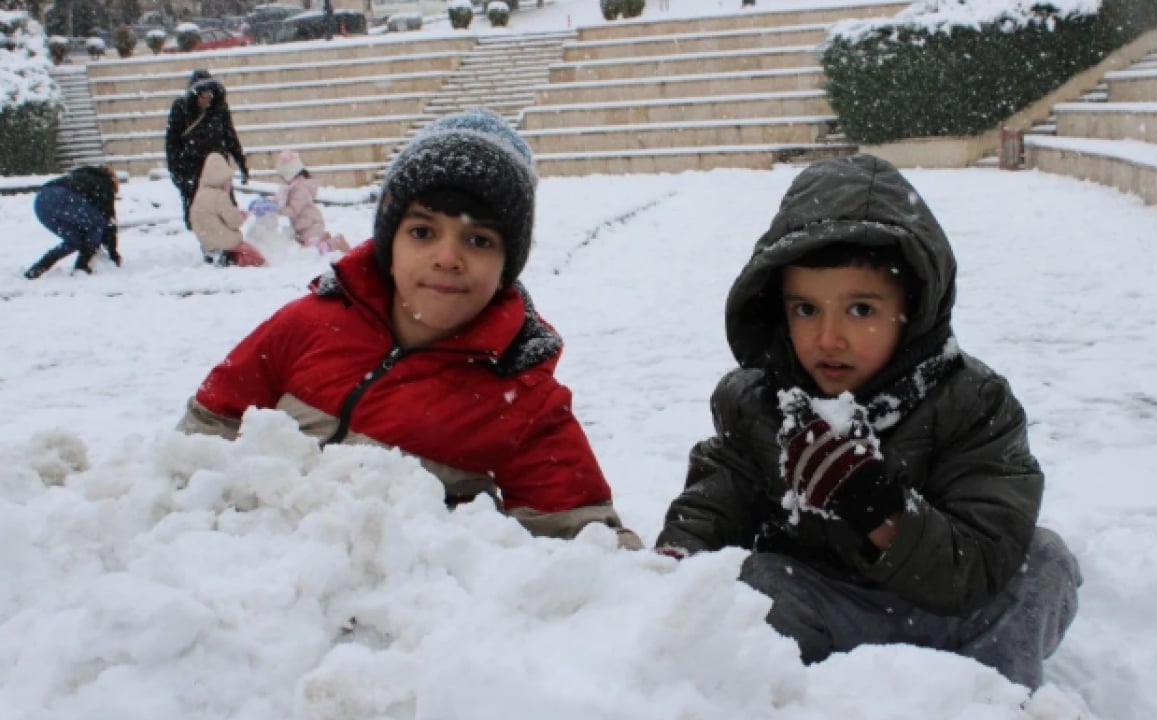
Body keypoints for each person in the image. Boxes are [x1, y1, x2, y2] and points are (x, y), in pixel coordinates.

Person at [653, 155, 1081, 688]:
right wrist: (679, 563)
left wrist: (883, 513)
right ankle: (792, 695)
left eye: (860, 310)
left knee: (1042, 562)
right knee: (750, 584)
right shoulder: (760, 402)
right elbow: (716, 501)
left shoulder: (974, 403)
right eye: (806, 310)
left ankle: (989, 699)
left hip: (946, 615)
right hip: (821, 608)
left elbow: (980, 558)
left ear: (914, 308)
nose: (829, 338)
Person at [178, 109, 641, 548]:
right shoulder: (306, 325)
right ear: (388, 243)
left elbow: (586, 546)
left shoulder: (524, 398)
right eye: (423, 232)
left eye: (478, 240)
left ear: (507, 267)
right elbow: (199, 438)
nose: (446, 257)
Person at [165, 69, 249, 229]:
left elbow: (230, 136)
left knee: (226, 211)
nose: (207, 98)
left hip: (218, 169)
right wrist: (178, 174)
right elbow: (172, 143)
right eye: (202, 93)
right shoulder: (180, 109)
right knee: (202, 216)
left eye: (209, 93)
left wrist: (241, 163)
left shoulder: (219, 108)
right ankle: (212, 248)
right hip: (193, 170)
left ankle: (227, 246)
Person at [24, 165, 122, 279]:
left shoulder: (81, 176)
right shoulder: (105, 183)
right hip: (64, 196)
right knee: (98, 224)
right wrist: (113, 253)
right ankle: (82, 265)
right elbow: (109, 221)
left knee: (75, 240)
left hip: (41, 201)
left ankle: (37, 269)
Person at [189, 153, 267, 267]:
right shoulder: (220, 197)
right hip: (224, 242)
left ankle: (214, 255)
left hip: (206, 242)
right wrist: (242, 216)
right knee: (254, 255)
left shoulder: (199, 195)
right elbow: (234, 222)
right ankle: (233, 259)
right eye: (228, 181)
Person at [275, 150, 349, 254]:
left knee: (315, 251)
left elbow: (293, 210)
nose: (283, 180)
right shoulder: (292, 188)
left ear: (290, 174)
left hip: (311, 227)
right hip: (304, 227)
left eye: (283, 176)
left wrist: (278, 210)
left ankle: (336, 242)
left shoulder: (300, 189)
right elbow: (282, 200)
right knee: (306, 247)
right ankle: (323, 238)